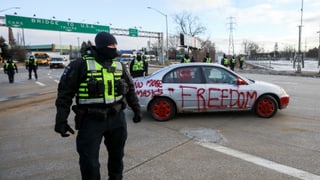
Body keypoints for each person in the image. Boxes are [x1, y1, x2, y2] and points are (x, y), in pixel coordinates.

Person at [54, 31, 142, 180]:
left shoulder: (120, 66)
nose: (114, 47)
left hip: (117, 119)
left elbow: (130, 90)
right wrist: (61, 120)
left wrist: (136, 109)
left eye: (115, 44)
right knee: (90, 163)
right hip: (90, 120)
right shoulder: (80, 65)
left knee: (117, 158)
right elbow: (65, 94)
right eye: (110, 45)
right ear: (100, 46)